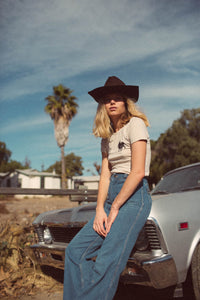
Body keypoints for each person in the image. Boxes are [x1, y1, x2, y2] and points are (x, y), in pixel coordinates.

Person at [63, 76, 152, 300]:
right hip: (113, 196)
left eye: (118, 99)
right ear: (102, 105)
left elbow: (138, 171)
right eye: (107, 100)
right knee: (75, 252)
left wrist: (115, 208)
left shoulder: (136, 125)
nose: (112, 103)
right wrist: (100, 209)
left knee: (106, 261)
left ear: (126, 103)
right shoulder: (107, 137)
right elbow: (105, 175)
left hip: (134, 198)